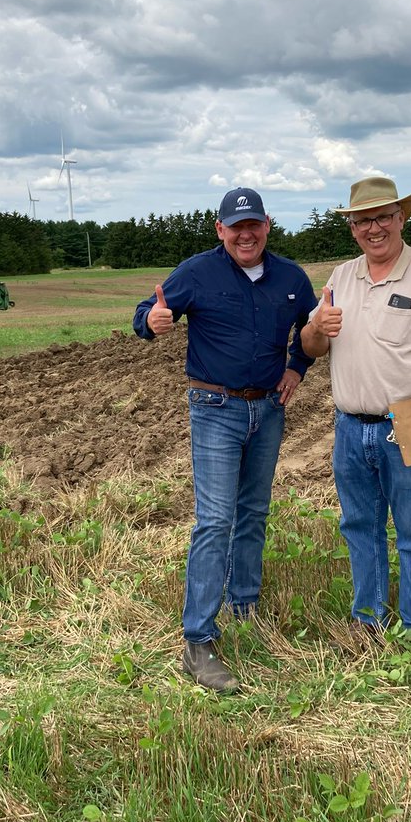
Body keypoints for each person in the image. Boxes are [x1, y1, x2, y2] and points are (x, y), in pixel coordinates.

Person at [133, 187, 318, 693]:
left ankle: (245, 606)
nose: (245, 234)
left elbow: (313, 328)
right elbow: (146, 312)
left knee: (254, 512)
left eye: (254, 224)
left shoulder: (292, 278)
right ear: (220, 230)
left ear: (267, 226)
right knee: (215, 520)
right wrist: (151, 321)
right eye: (235, 226)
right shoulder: (197, 272)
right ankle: (198, 639)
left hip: (269, 408)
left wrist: (297, 368)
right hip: (215, 408)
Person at [300, 176, 411, 677]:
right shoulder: (341, 277)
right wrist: (314, 330)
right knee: (360, 528)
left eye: (382, 217)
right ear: (351, 228)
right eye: (362, 220)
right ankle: (367, 620)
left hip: (408, 425)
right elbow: (311, 348)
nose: (373, 228)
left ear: (401, 218)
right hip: (350, 427)